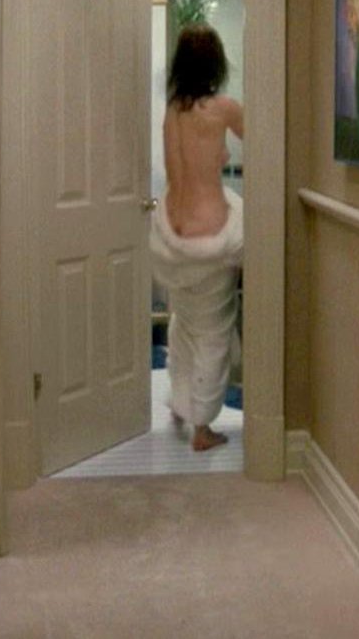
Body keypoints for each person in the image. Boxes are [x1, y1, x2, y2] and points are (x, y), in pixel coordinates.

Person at [150, 23, 244, 452]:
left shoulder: (173, 110)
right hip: (209, 237)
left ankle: (180, 403)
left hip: (171, 235)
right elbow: (268, 142)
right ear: (216, 63)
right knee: (213, 334)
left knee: (184, 323)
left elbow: (177, 167)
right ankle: (202, 427)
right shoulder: (223, 109)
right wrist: (221, 152)